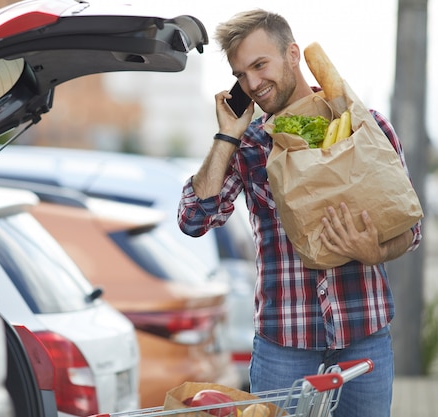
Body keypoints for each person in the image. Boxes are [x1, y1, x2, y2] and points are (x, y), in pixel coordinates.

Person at [177, 9, 422, 417]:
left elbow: (411, 230)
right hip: (283, 345)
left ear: (293, 54)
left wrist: (375, 251)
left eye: (259, 65)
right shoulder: (251, 144)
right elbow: (194, 220)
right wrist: (226, 136)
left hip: (364, 335)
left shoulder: (365, 128)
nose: (252, 84)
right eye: (241, 75)